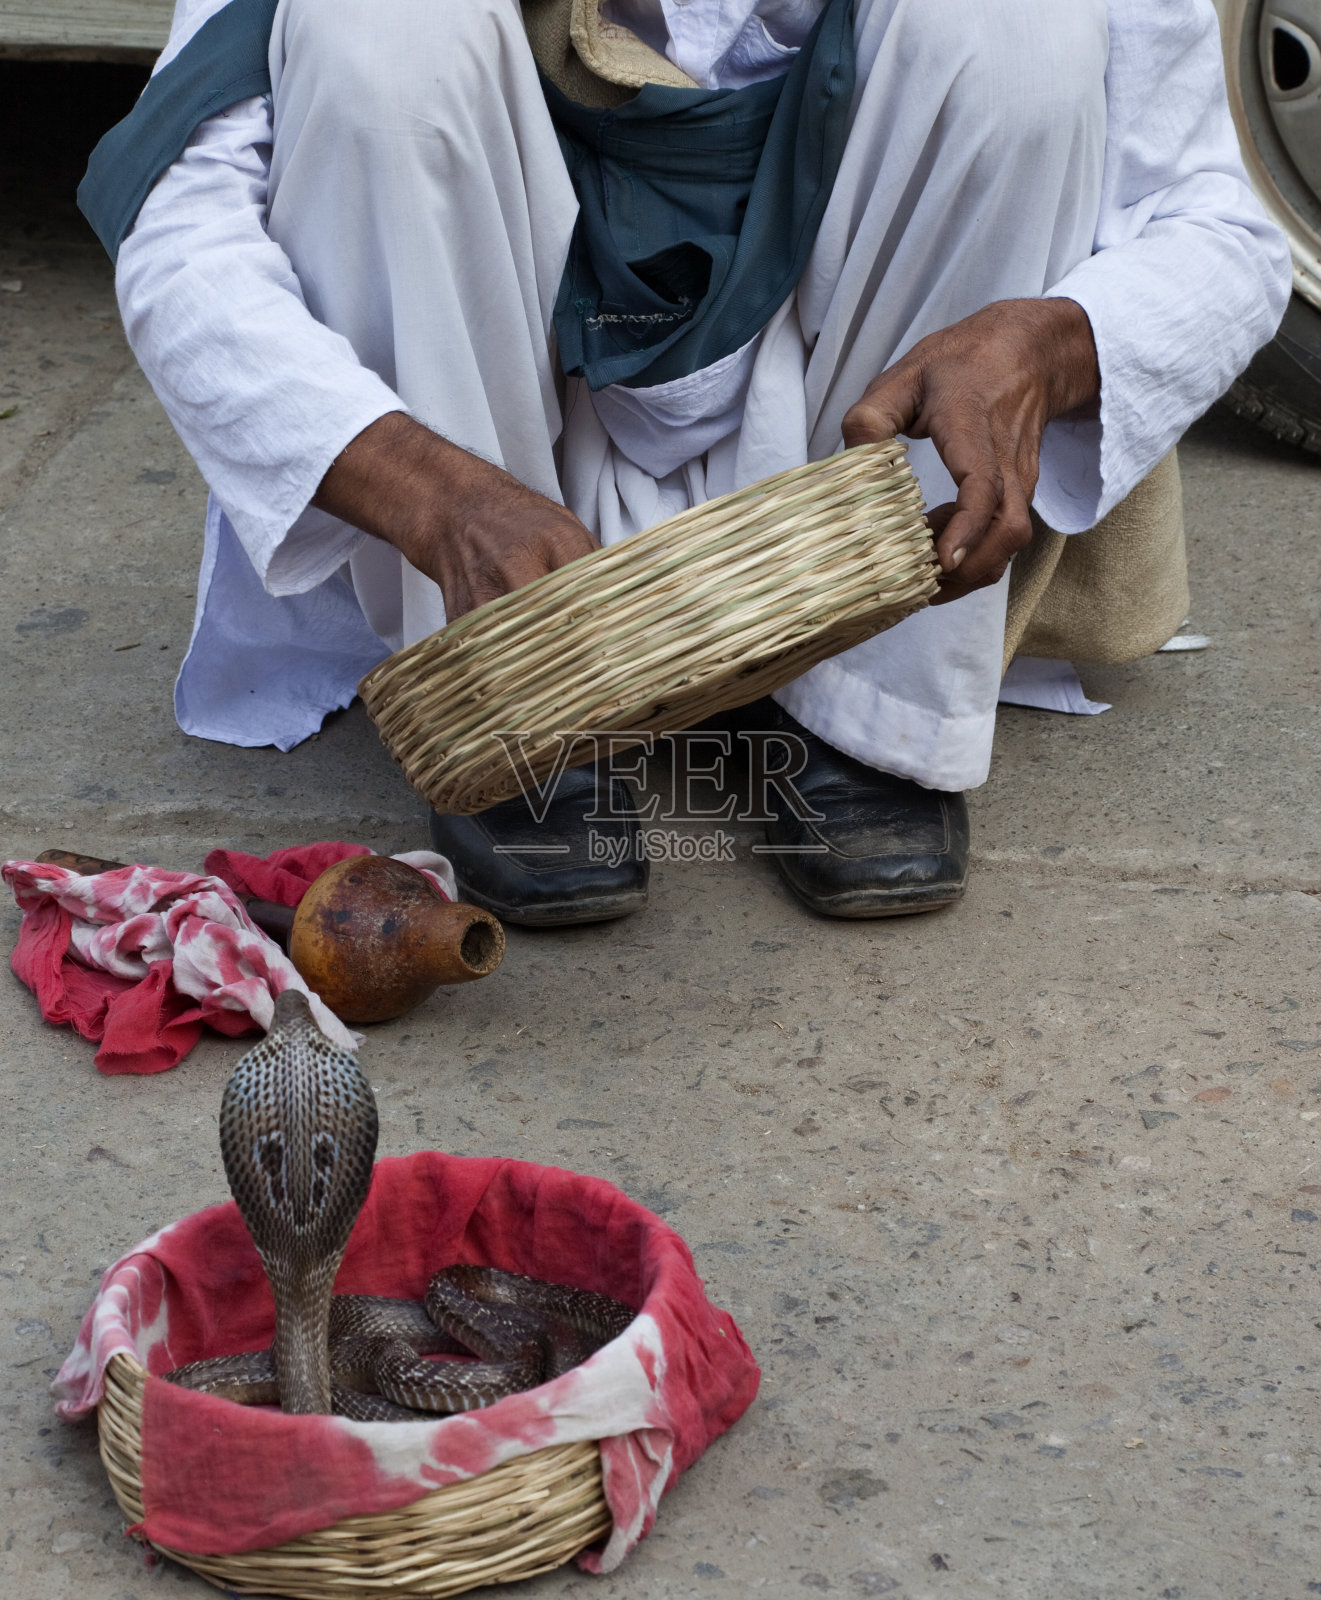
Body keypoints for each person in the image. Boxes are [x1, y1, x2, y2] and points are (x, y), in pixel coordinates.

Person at [93, 0, 1290, 925]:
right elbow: (181, 223)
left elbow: (1220, 231)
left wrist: (1052, 344)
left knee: (1014, 39)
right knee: (374, 42)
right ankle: (514, 704)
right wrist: (423, 486)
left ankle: (869, 707)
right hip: (501, 462)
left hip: (843, 428)